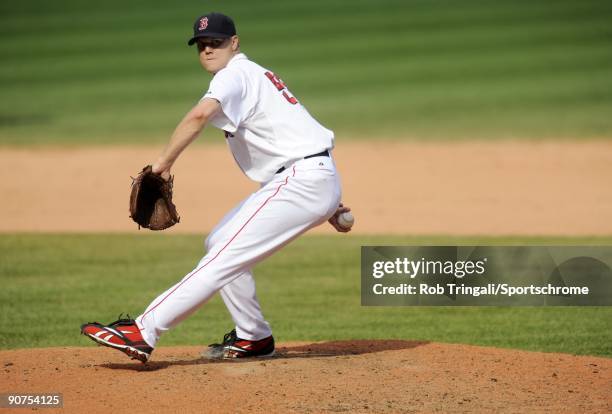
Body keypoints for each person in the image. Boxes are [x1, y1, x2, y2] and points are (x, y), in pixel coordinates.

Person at [81, 12, 351, 363]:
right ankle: (254, 336)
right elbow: (296, 130)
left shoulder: (234, 75)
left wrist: (161, 167)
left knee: (221, 260)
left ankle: (144, 330)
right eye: (202, 45)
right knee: (219, 243)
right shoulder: (255, 74)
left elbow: (198, 115)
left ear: (234, 43)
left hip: (302, 180)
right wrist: (328, 200)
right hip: (308, 178)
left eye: (216, 43)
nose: (208, 50)